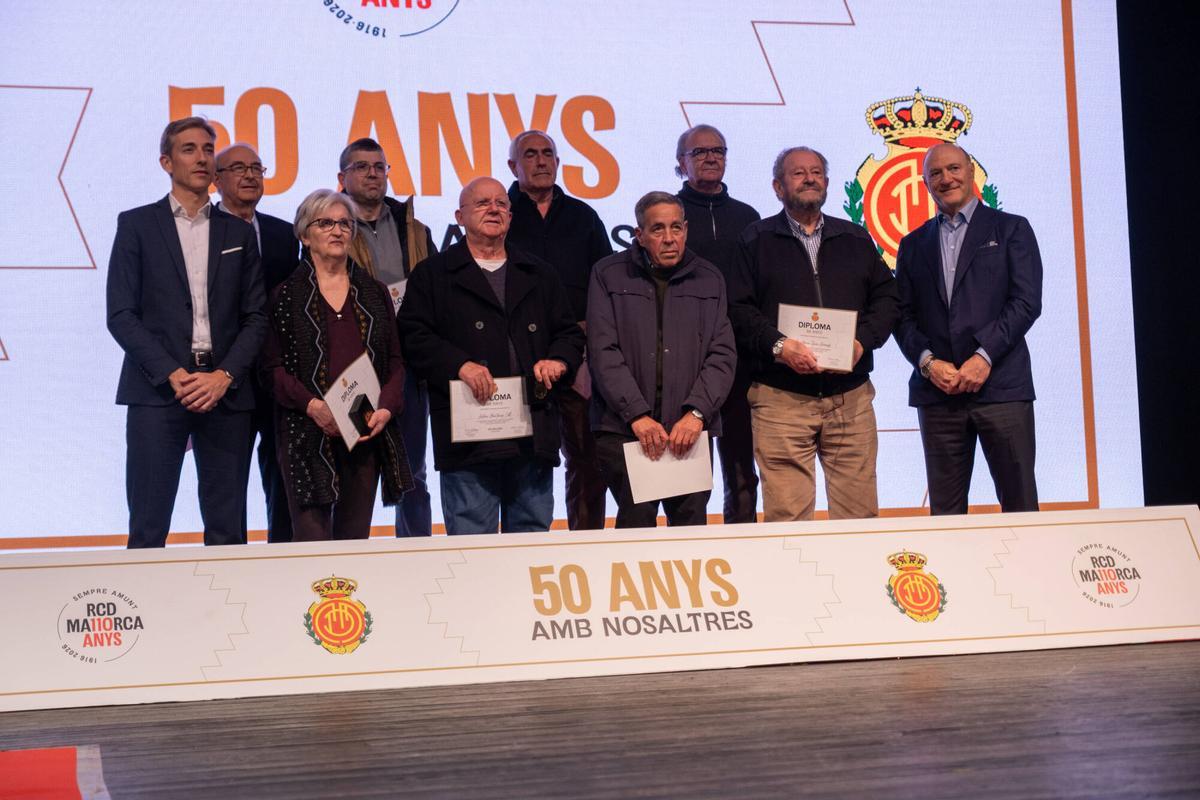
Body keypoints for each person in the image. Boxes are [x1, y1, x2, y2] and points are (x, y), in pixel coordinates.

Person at [106, 117, 267, 548]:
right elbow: (120, 314)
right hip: (158, 391)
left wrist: (224, 376)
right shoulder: (136, 225)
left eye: (208, 148)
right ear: (166, 161)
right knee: (148, 523)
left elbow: (257, 317)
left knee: (228, 527)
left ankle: (230, 615)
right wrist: (172, 373)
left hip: (225, 392)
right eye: (189, 148)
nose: (202, 157)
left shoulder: (238, 233)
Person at [398, 177, 585, 534]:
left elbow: (568, 333)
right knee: (472, 549)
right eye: (483, 203)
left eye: (501, 203)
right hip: (469, 435)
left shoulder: (539, 273)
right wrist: (458, 364)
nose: (494, 209)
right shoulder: (433, 274)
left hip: (533, 433)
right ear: (459, 216)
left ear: (511, 217)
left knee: (530, 545)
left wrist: (558, 360)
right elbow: (413, 336)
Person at [728, 146, 899, 521]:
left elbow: (887, 298)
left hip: (849, 400)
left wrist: (860, 342)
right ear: (777, 186)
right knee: (787, 519)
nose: (809, 179)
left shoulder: (855, 238)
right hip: (780, 400)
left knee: (860, 518)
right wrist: (779, 346)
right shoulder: (754, 240)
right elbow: (737, 309)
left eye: (817, 172)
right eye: (798, 173)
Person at [894, 142, 1042, 515]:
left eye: (954, 169)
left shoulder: (1012, 229)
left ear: (971, 172)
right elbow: (902, 315)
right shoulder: (912, 245)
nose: (947, 179)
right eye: (936, 173)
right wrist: (928, 363)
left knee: (1020, 505)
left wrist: (983, 355)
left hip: (1002, 389)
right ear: (925, 183)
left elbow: (1026, 302)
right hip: (939, 395)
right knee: (945, 515)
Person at [262, 189, 413, 541]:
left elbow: (394, 361)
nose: (337, 230)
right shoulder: (285, 296)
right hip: (306, 430)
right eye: (325, 223)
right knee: (311, 544)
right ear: (304, 234)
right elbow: (272, 369)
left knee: (354, 541)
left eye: (345, 223)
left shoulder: (375, 292)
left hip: (365, 429)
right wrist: (313, 406)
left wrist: (387, 408)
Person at [588, 192, 736, 528]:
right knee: (636, 525)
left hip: (690, 431)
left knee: (690, 529)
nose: (669, 239)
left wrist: (696, 413)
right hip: (626, 429)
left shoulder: (710, 278)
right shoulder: (608, 275)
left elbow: (722, 354)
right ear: (638, 235)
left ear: (686, 229)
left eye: (675, 228)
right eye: (657, 230)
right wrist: (637, 416)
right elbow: (602, 351)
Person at [506, 130, 614, 530]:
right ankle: (523, 545)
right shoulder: (503, 214)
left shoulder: (583, 217)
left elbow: (606, 282)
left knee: (586, 457)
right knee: (523, 456)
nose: (540, 161)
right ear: (513, 167)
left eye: (547, 153)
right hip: (519, 355)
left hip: (577, 353)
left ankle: (586, 545)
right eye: (530, 154)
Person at [338, 137, 437, 537]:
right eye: (361, 166)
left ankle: (417, 557)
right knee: (353, 469)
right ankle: (347, 561)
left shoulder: (414, 228)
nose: (372, 173)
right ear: (342, 177)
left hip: (408, 365)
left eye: (379, 166)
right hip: (352, 367)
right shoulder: (330, 227)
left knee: (411, 470)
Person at [674, 124, 762, 524]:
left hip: (742, 360)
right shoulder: (670, 217)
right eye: (700, 152)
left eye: (718, 151)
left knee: (743, 470)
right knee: (685, 473)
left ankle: (743, 553)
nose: (710, 158)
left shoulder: (748, 217)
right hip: (685, 361)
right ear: (681, 163)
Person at [214, 142, 299, 543]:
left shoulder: (284, 234)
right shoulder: (205, 229)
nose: (249, 175)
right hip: (226, 375)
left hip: (278, 372)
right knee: (227, 480)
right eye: (237, 168)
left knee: (283, 474)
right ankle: (230, 563)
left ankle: (280, 556)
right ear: (216, 180)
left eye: (256, 168)